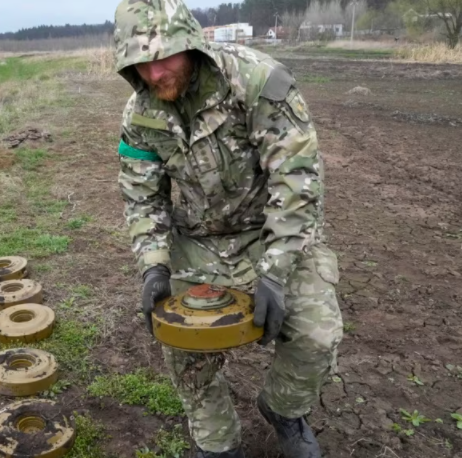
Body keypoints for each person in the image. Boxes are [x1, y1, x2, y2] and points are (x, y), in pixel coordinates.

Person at [113, 1, 343, 457]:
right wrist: (154, 268)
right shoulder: (139, 114)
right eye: (141, 62)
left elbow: (296, 183)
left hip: (271, 231)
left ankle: (284, 410)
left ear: (192, 46)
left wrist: (275, 272)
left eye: (165, 57)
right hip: (198, 241)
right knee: (180, 343)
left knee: (317, 336)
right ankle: (217, 442)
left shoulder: (259, 82)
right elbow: (143, 197)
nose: (155, 73)